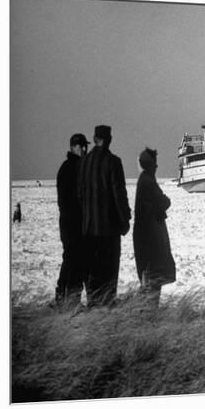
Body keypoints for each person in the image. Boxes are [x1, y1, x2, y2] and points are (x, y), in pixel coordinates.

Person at [79, 125, 131, 307]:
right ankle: (107, 307)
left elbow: (80, 194)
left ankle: (93, 305)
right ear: (109, 140)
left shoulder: (84, 162)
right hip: (108, 229)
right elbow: (119, 194)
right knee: (108, 274)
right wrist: (125, 220)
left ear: (94, 139)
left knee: (92, 273)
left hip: (88, 228)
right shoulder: (113, 162)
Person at [133, 148, 176, 307]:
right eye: (155, 163)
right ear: (151, 164)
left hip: (145, 234)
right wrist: (165, 201)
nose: (157, 166)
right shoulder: (148, 181)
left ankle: (144, 308)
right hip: (152, 236)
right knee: (154, 275)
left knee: (148, 274)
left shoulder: (144, 180)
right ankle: (148, 310)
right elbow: (163, 202)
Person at [52, 133, 90, 308]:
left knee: (71, 259)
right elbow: (73, 199)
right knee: (73, 260)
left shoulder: (68, 167)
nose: (85, 150)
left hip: (68, 222)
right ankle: (67, 299)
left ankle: (64, 298)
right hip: (73, 223)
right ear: (76, 147)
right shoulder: (73, 168)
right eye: (83, 147)